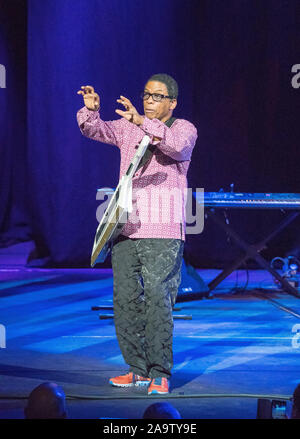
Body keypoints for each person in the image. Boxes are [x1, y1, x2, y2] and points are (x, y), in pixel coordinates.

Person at [77, 73, 197, 395]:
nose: (149, 100)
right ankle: (137, 368)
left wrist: (143, 120)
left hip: (162, 229)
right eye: (146, 94)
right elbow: (95, 129)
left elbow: (174, 147)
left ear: (172, 102)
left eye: (157, 96)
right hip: (126, 228)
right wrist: (91, 111)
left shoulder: (183, 128)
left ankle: (160, 372)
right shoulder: (129, 126)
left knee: (158, 301)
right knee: (125, 301)